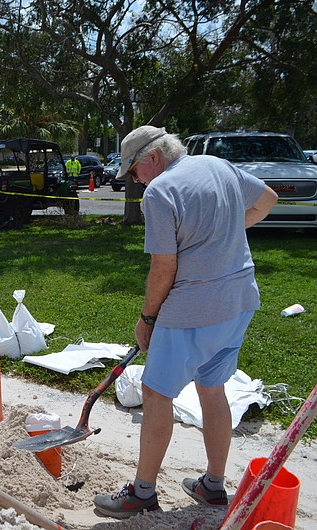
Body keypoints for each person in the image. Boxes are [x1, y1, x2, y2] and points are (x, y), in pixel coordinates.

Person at [92, 126, 278, 519]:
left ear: (153, 158)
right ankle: (213, 484)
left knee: (156, 392)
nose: (135, 180)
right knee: (212, 389)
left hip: (194, 308)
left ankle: (142, 492)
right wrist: (220, 234)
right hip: (239, 299)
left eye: (134, 171)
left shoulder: (160, 192)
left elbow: (164, 266)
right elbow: (267, 200)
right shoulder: (217, 165)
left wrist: (146, 318)